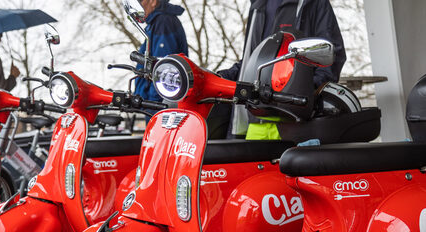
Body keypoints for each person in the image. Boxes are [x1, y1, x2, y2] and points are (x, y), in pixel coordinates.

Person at [214, 0, 346, 139]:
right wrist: (218, 77)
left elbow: (332, 54)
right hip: (255, 123)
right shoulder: (258, 6)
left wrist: (307, 89)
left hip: (294, 123)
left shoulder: (313, 3)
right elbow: (252, 59)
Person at [134, 0, 188, 103]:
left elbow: (163, 68)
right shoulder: (154, 24)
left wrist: (152, 102)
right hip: (150, 101)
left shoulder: (163, 22)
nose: (137, 5)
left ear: (153, 1)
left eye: (140, 0)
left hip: (156, 103)